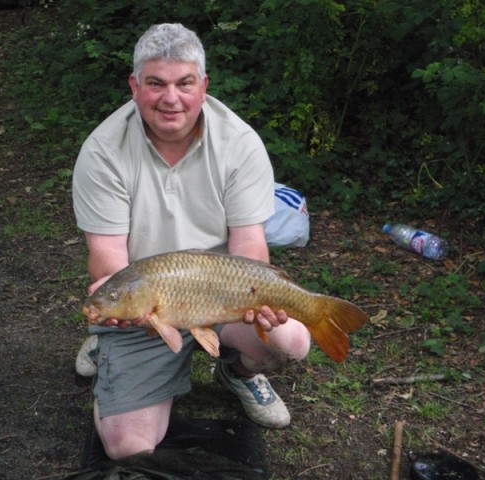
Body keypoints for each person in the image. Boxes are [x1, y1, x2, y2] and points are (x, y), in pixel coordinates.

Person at [72, 23, 311, 461]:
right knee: (127, 446)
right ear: (134, 86)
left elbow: (250, 246)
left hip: (222, 291)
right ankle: (109, 342)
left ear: (203, 85)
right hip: (147, 300)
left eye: (184, 83)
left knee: (292, 340)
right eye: (155, 84)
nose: (171, 98)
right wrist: (112, 296)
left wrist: (259, 299)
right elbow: (107, 256)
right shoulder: (102, 151)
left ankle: (237, 372)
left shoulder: (239, 144)